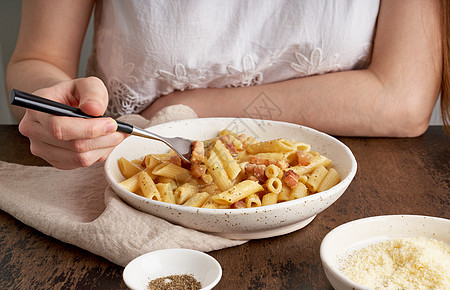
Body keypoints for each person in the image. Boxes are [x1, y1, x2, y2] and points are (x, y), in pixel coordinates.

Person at [5, 0, 448, 170]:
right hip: (119, 163)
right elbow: (38, 60)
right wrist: (51, 103)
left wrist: (192, 106)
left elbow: (402, 99)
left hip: (341, 191)